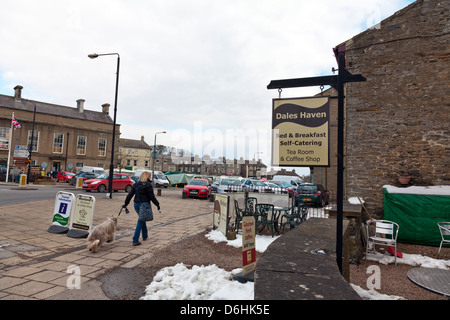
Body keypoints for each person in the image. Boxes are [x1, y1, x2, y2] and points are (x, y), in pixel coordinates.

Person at [123, 171, 160, 246]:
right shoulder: (148, 185)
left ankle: (145, 235)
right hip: (144, 205)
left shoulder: (136, 184)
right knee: (140, 220)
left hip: (136, 204)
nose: (151, 178)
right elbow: (152, 197)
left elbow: (130, 195)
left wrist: (126, 203)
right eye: (150, 176)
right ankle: (135, 240)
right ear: (147, 177)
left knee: (142, 218)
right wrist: (157, 204)